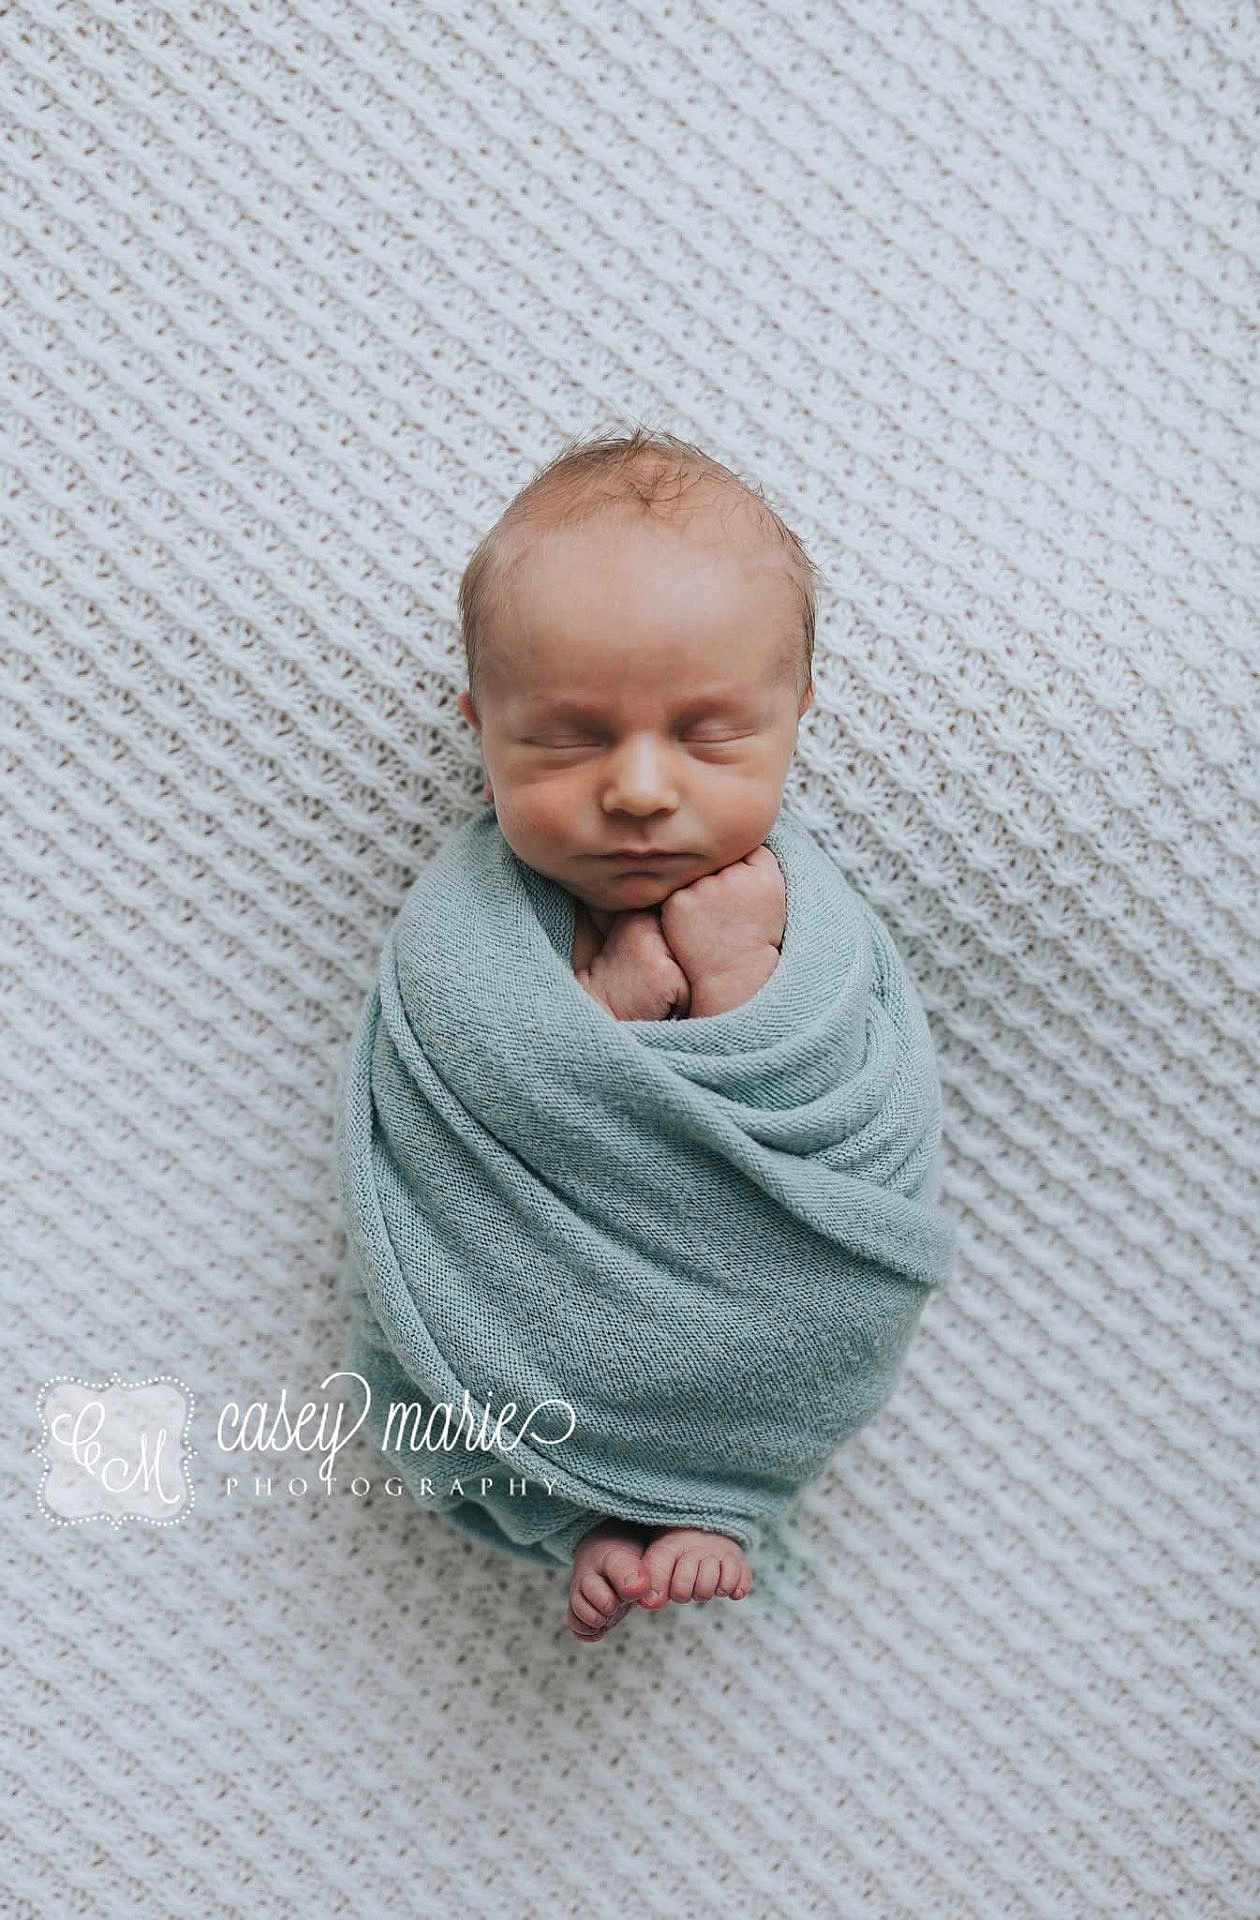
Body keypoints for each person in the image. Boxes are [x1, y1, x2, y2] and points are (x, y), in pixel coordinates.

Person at [454, 426, 818, 1641]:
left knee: (789, 1305)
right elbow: (469, 1102)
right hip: (533, 1300)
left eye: (710, 736)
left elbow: (832, 1121)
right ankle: (583, 1511)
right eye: (569, 738)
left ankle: (717, 1488)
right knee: (486, 1328)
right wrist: (597, 1014)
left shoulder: (811, 926)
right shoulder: (467, 932)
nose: (642, 790)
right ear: (480, 727)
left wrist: (739, 980)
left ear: (797, 713)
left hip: (749, 1299)